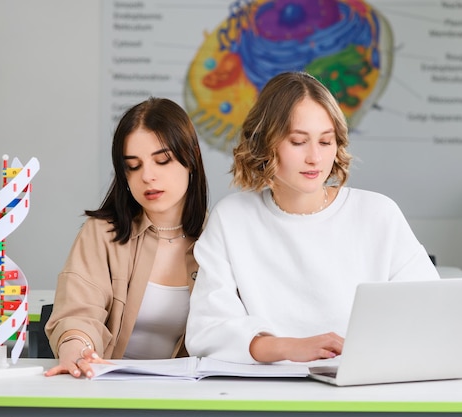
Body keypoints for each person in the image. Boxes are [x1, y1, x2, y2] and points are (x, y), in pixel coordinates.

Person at [185, 71, 440, 364]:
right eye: (298, 142)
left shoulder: (378, 214)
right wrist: (287, 348)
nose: (315, 158)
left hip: (362, 388)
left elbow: (430, 312)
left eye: (325, 141)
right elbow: (206, 331)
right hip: (267, 393)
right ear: (265, 144)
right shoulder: (232, 219)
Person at [45, 97, 208, 378]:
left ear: (191, 158)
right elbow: (78, 313)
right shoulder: (101, 233)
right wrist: (77, 347)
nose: (148, 176)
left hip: (189, 397)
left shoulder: (218, 236)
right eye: (133, 166)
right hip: (109, 390)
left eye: (162, 160)